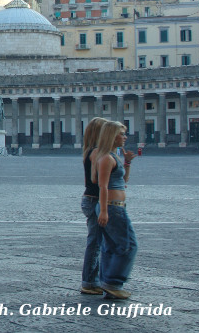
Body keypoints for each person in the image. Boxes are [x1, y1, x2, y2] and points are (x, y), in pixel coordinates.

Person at [95, 121, 137, 299]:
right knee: (128, 246)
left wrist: (127, 163)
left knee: (111, 246)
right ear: (111, 136)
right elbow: (102, 187)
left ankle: (107, 281)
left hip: (113, 207)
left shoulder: (114, 157)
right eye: (121, 133)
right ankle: (113, 282)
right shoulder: (106, 158)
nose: (125, 137)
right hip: (112, 207)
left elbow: (123, 181)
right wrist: (103, 210)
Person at [80, 117, 108, 295]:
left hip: (89, 198)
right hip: (94, 200)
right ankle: (90, 281)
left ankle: (95, 279)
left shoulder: (88, 151)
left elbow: (88, 180)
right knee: (96, 243)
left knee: (98, 242)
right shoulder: (97, 152)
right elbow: (95, 180)